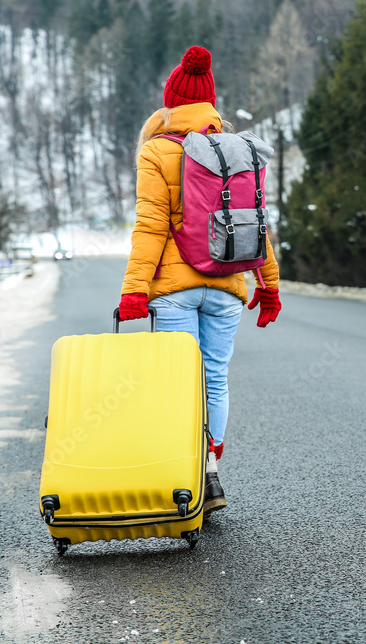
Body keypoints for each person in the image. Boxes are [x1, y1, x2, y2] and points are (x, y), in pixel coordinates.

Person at [117, 45, 282, 514]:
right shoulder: (238, 150)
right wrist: (268, 286)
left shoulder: (157, 151)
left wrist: (133, 290)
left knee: (178, 382)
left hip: (175, 290)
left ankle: (181, 476)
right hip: (230, 286)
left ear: (170, 103)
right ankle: (210, 473)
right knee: (214, 379)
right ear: (211, 103)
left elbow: (150, 225)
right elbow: (255, 224)